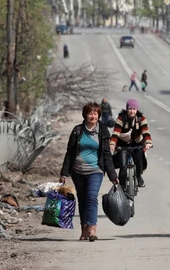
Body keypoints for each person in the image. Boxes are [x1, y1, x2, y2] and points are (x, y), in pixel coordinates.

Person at [59, 102, 119, 242]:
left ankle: (92, 228)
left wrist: (112, 175)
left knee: (92, 198)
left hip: (95, 170)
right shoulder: (77, 130)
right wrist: (64, 173)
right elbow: (70, 153)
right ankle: (84, 228)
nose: (93, 116)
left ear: (98, 115)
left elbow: (106, 155)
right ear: (85, 115)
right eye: (90, 113)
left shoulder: (103, 131)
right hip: (77, 171)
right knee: (83, 199)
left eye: (95, 113)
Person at [109, 99, 152, 188]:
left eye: (134, 109)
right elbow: (116, 133)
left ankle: (139, 176)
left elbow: (145, 132)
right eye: (130, 109)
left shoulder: (141, 119)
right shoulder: (121, 118)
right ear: (127, 109)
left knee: (139, 157)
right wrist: (112, 144)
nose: (132, 111)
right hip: (123, 144)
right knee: (123, 165)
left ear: (136, 110)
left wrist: (148, 142)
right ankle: (122, 186)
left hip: (137, 143)